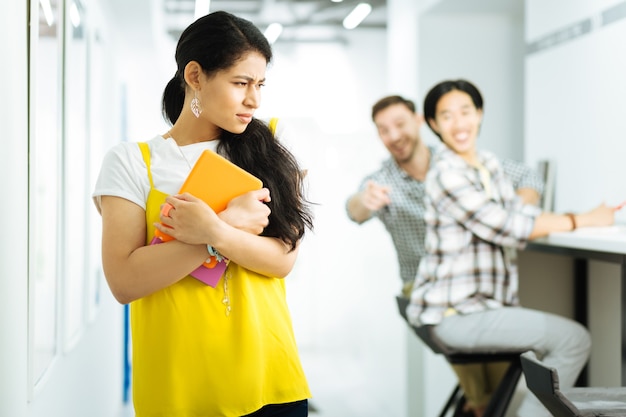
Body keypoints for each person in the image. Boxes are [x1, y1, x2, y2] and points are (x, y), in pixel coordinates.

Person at [92, 11, 313, 417]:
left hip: (269, 380)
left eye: (260, 84)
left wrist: (214, 230)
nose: (254, 99)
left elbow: (282, 261)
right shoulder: (133, 162)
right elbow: (124, 282)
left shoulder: (273, 143)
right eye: (241, 83)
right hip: (178, 388)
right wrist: (226, 224)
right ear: (195, 76)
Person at [406, 79, 618, 417]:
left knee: (560, 342)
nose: (459, 123)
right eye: (447, 116)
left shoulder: (487, 164)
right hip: (455, 314)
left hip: (478, 307)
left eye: (465, 111)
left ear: (480, 113)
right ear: (433, 124)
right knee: (573, 339)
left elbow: (517, 213)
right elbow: (507, 225)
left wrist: (542, 208)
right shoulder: (445, 173)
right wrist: (582, 219)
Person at [345, 95, 544, 415]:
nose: (393, 136)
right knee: (488, 397)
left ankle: (477, 405)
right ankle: (477, 405)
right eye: (383, 130)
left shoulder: (457, 161)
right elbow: (353, 210)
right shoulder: (383, 181)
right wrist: (364, 201)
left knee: (501, 380)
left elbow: (528, 176)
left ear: (420, 121)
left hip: (475, 287)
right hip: (426, 291)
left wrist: (517, 209)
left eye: (399, 124)